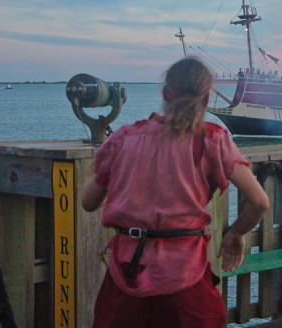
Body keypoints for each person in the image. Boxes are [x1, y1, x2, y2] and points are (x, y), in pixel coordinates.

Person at [82, 57, 270, 328]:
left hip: (126, 273)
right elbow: (259, 201)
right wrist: (236, 233)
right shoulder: (212, 139)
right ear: (206, 99)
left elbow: (89, 202)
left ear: (165, 94)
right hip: (185, 278)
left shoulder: (123, 138)